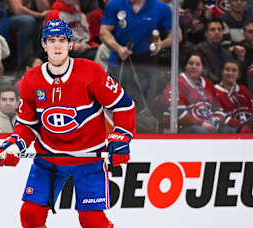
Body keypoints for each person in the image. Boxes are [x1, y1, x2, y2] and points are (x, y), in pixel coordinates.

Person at [0, 19, 135, 228]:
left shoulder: (91, 72)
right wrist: (14, 144)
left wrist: (121, 137)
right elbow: (27, 124)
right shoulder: (32, 80)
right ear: (44, 46)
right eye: (51, 41)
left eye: (62, 41)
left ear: (70, 44)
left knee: (92, 220)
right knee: (30, 213)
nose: (57, 46)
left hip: (88, 159)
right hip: (49, 159)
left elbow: (124, 106)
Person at [100, 0, 179, 133]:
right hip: (119, 61)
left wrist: (162, 44)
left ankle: (143, 139)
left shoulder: (161, 8)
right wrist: (118, 48)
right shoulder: (115, 4)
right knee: (113, 104)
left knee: (144, 108)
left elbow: (177, 35)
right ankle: (114, 138)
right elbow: (104, 32)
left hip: (146, 63)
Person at [162, 52, 222, 133]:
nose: (194, 67)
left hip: (205, 124)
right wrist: (202, 124)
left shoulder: (208, 84)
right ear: (185, 66)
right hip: (181, 126)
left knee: (226, 130)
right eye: (190, 63)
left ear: (202, 68)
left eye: (198, 64)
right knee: (201, 131)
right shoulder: (178, 83)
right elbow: (179, 113)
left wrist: (216, 121)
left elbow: (218, 108)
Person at [214, 59, 252, 132]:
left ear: (238, 74)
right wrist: (242, 127)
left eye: (234, 70)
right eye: (227, 70)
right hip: (232, 129)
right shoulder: (214, 91)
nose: (230, 73)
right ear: (222, 72)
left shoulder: (243, 89)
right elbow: (221, 117)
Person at [196, 18, 234, 84]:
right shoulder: (199, 49)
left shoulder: (226, 53)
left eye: (219, 29)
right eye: (213, 30)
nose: (217, 32)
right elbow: (204, 71)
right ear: (206, 33)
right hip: (209, 86)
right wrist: (221, 82)